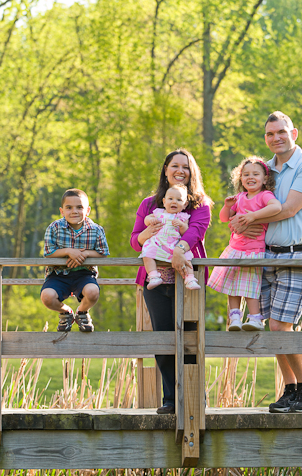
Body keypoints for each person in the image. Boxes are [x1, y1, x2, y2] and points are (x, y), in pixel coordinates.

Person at [230, 111, 302, 413]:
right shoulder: (263, 169)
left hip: (297, 254)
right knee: (273, 327)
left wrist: (250, 218)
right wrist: (239, 220)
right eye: (270, 134)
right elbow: (243, 202)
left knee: (282, 325)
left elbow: (286, 210)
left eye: (281, 132)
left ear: (293, 133)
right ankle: (290, 388)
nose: (276, 138)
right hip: (265, 254)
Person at [130, 149, 213, 414]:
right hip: (154, 283)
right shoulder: (149, 204)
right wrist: (144, 236)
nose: (180, 170)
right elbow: (135, 241)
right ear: (165, 169)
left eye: (185, 167)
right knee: (163, 340)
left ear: (192, 172)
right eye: (174, 165)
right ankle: (170, 399)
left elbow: (196, 234)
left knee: (190, 340)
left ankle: (193, 397)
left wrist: (178, 251)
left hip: (187, 279)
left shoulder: (200, 204)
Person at [207, 156, 281, 331]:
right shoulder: (239, 197)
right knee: (231, 284)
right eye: (246, 174)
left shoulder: (265, 196)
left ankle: (255, 319)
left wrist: (251, 216)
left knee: (249, 284)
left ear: (265, 179)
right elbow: (224, 218)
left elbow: (276, 207)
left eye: (256, 174)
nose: (250, 177)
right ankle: (234, 318)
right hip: (234, 249)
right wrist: (226, 206)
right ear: (240, 179)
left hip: (253, 250)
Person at [40, 188, 110, 332]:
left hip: (84, 274)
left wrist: (83, 255)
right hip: (58, 274)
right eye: (69, 207)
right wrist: (68, 252)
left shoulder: (96, 230)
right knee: (47, 297)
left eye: (79, 207)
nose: (74, 211)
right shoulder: (54, 228)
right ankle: (66, 312)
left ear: (88, 210)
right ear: (62, 211)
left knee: (93, 292)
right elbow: (48, 253)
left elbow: (103, 253)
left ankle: (82, 312)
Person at [140, 183, 201, 291]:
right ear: (164, 201)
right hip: (159, 243)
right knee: (147, 253)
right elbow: (146, 219)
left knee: (187, 256)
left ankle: (190, 279)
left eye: (178, 200)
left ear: (185, 204)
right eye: (170, 199)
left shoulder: (182, 217)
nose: (174, 202)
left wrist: (182, 225)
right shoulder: (159, 212)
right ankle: (154, 275)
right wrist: (150, 220)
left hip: (174, 245)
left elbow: (185, 232)